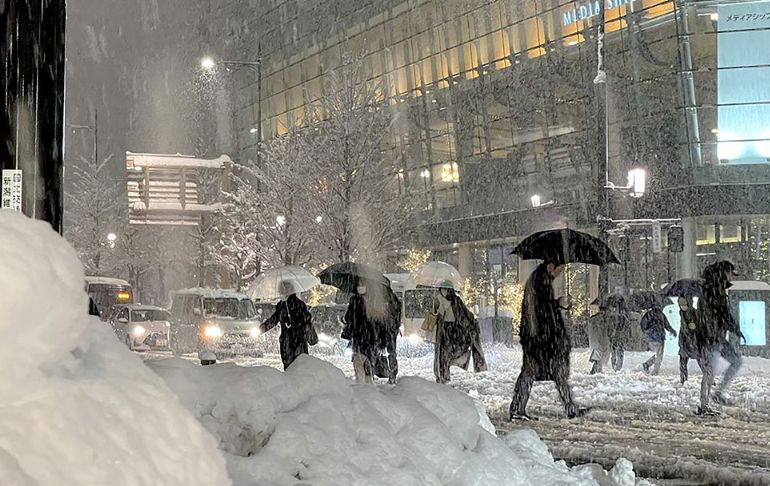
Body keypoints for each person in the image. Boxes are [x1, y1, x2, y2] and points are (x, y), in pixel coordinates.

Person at [510, 260, 586, 421]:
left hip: (540, 337)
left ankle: (569, 407)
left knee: (552, 372)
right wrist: (557, 303)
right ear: (551, 266)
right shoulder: (540, 280)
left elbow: (541, 307)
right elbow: (540, 309)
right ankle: (518, 408)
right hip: (540, 338)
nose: (560, 273)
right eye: (560, 269)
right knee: (538, 372)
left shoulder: (540, 279)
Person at [694, 260, 743, 416]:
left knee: (736, 361)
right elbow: (722, 314)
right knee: (709, 371)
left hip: (717, 336)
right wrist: (734, 328)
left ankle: (717, 393)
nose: (732, 278)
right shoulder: (714, 291)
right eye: (731, 274)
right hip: (710, 337)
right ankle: (704, 405)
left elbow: (721, 314)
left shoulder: (715, 289)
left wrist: (732, 328)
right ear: (724, 273)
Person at [433, 286, 487, 384]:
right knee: (443, 355)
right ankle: (443, 376)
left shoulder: (456, 301)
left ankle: (445, 374)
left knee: (451, 353)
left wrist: (471, 324)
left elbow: (463, 314)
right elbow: (435, 315)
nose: (443, 292)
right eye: (442, 289)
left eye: (445, 289)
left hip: (454, 329)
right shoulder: (438, 300)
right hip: (444, 330)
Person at [260, 282, 318, 370]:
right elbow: (275, 319)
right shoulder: (283, 305)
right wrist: (264, 327)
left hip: (295, 342)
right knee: (293, 368)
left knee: (296, 368)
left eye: (281, 291)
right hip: (291, 343)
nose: (280, 294)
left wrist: (293, 323)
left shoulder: (298, 305)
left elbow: (305, 321)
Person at [341, 285, 379, 384]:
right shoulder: (373, 299)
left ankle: (362, 382)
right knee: (368, 358)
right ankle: (368, 379)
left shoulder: (355, 300)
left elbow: (348, 317)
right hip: (370, 336)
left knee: (358, 359)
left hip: (360, 335)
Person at [640, 302, 677, 375]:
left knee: (659, 354)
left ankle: (647, 364)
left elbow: (643, 325)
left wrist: (646, 333)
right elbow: (666, 325)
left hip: (654, 337)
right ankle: (655, 372)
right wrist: (672, 331)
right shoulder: (660, 315)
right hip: (658, 337)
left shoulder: (649, 314)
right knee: (659, 355)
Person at [677, 295, 700, 384]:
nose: (683, 306)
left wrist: (694, 327)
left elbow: (700, 325)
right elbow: (682, 328)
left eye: (684, 303)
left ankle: (709, 376)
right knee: (683, 361)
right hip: (685, 341)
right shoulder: (681, 313)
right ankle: (683, 379)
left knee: (700, 361)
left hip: (693, 340)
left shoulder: (694, 313)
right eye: (681, 304)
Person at [587, 304, 613, 374]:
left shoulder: (594, 318)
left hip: (597, 339)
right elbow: (607, 330)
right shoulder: (603, 319)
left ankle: (598, 370)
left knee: (599, 355)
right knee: (599, 355)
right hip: (600, 340)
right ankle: (595, 370)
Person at [607, 295, 630, 372]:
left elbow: (609, 327)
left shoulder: (613, 317)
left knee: (614, 350)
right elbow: (626, 326)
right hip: (618, 335)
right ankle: (617, 366)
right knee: (618, 351)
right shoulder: (622, 317)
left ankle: (615, 366)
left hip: (616, 335)